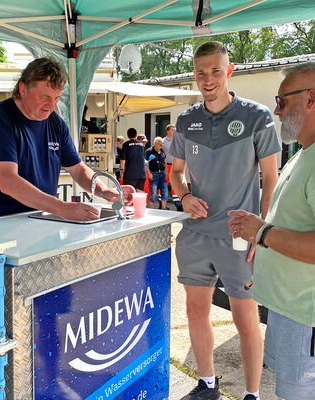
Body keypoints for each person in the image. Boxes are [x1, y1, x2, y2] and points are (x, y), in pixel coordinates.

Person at [169, 41, 281, 400]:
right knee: (195, 310)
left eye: (216, 71)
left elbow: (271, 181)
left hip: (239, 237)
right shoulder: (187, 120)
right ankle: (207, 384)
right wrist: (184, 196)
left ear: (229, 71)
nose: (208, 79)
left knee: (245, 318)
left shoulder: (257, 116)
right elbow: (177, 173)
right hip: (197, 234)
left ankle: (252, 394)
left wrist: (261, 233)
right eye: (201, 73)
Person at [228, 62, 315, 400]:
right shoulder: (302, 155)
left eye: (283, 101)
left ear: (311, 98)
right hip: (290, 311)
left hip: (305, 319)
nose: (277, 111)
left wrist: (261, 233)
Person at [0, 57, 134, 221]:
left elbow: (78, 169)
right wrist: (62, 208)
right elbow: (8, 181)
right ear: (23, 89)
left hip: (39, 218)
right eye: (45, 97)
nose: (51, 105)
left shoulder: (55, 123)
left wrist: (103, 190)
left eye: (56, 98)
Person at [162, 124, 182, 211]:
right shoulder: (163, 141)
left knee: (176, 183)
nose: (174, 131)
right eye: (172, 130)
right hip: (166, 165)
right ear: (168, 131)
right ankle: (162, 204)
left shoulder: (177, 140)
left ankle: (178, 204)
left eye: (175, 130)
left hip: (176, 165)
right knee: (164, 184)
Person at [119, 128, 146, 192]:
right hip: (141, 174)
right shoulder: (141, 145)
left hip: (130, 174)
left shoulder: (126, 144)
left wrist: (121, 173)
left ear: (128, 135)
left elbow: (122, 161)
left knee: (128, 195)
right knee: (139, 194)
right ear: (136, 135)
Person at [145, 136, 168, 209]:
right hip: (153, 173)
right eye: (160, 144)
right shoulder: (149, 151)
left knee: (164, 191)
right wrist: (149, 173)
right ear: (155, 143)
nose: (161, 146)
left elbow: (164, 160)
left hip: (162, 173)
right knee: (153, 192)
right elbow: (146, 163)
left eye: (162, 144)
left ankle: (164, 209)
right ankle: (152, 209)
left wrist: (166, 170)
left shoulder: (162, 151)